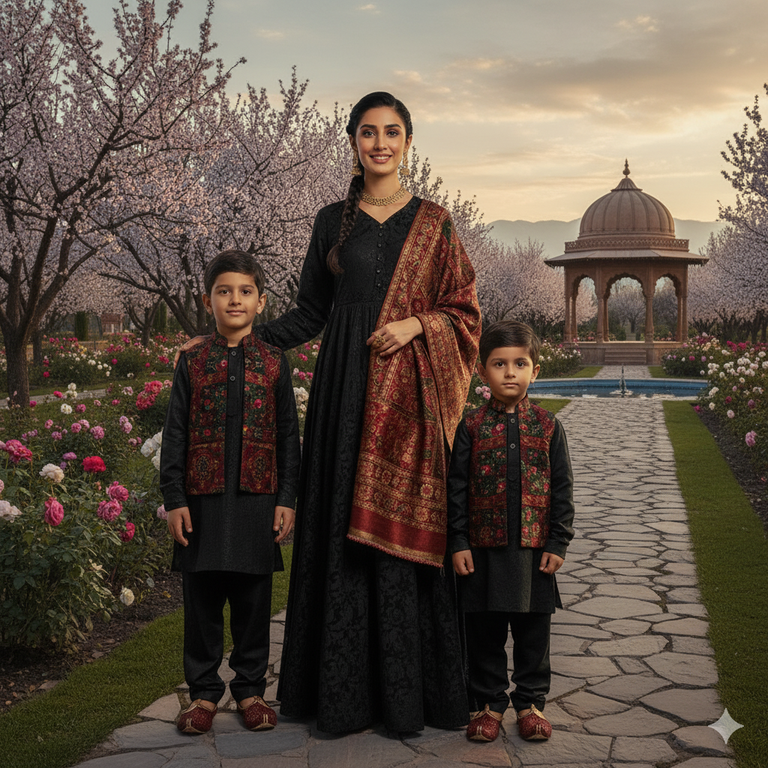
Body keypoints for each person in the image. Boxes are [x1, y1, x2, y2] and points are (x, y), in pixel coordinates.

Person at [179, 91, 481, 733]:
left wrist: (415, 326)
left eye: (392, 132)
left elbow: (465, 311)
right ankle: (340, 697)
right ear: (353, 141)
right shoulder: (329, 222)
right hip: (344, 396)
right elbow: (312, 313)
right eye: (368, 132)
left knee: (395, 549)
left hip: (405, 405)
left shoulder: (435, 222)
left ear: (407, 141)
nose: (380, 143)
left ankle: (408, 698)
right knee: (340, 534)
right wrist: (233, 341)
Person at [161, 250, 301, 735]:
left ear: (261, 302)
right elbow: (175, 430)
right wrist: (175, 499)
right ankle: (202, 692)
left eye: (244, 292)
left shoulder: (274, 363)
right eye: (224, 291)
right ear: (208, 301)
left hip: (257, 502)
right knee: (201, 602)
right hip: (200, 501)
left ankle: (250, 691)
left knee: (252, 601)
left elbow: (289, 435)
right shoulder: (193, 361)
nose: (234, 300)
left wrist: (287, 497)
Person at [447, 320, 575, 743]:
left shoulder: (549, 426)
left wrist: (558, 541)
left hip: (534, 551)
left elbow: (562, 488)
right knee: (484, 632)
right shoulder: (469, 427)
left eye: (520, 363)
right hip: (483, 552)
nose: (509, 372)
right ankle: (488, 704)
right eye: (499, 364)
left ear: (535, 370)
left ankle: (531, 703)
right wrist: (458, 542)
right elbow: (457, 490)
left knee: (532, 633)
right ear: (482, 372)